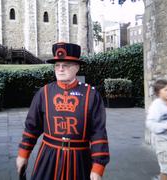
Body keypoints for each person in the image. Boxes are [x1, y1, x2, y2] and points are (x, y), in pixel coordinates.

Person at [16, 42, 110, 180]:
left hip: (80, 159)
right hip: (48, 157)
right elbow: (32, 127)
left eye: (65, 65)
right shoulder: (44, 93)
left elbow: (98, 133)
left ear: (77, 67)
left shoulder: (91, 94)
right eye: (57, 65)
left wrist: (97, 168)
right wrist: (23, 154)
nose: (60, 69)